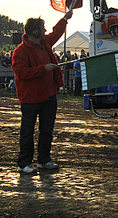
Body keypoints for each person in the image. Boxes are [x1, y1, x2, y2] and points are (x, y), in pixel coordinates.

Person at [12, 10, 73, 174]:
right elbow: (22, 73)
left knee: (47, 130)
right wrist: (43, 69)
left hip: (49, 94)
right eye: (42, 28)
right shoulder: (20, 51)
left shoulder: (44, 43)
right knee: (27, 131)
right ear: (35, 31)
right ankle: (24, 163)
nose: (45, 31)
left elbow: (56, 32)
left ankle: (44, 160)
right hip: (30, 97)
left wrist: (65, 19)